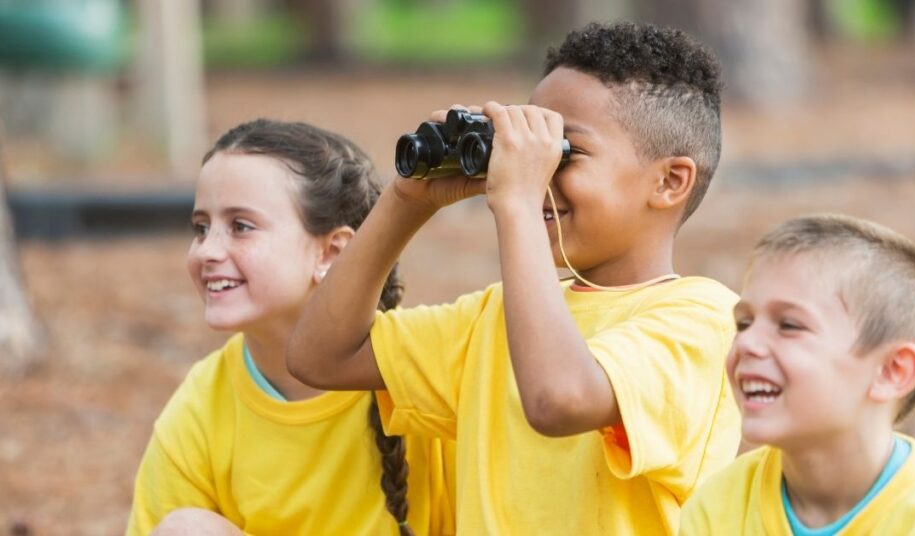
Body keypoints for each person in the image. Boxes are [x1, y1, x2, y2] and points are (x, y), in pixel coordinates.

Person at [287, 22, 740, 535]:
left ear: (669, 181)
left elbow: (559, 399)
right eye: (526, 151)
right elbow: (320, 356)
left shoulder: (703, 322)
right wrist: (407, 200)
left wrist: (520, 201)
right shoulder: (493, 319)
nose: (533, 171)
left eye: (562, 152)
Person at [127, 119, 454, 536]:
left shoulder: (421, 371)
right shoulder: (202, 405)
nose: (207, 250)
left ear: (331, 252)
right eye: (201, 228)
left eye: (241, 226)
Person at [677, 213, 915, 535]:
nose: (747, 341)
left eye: (789, 325)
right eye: (744, 323)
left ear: (892, 371)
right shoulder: (718, 506)